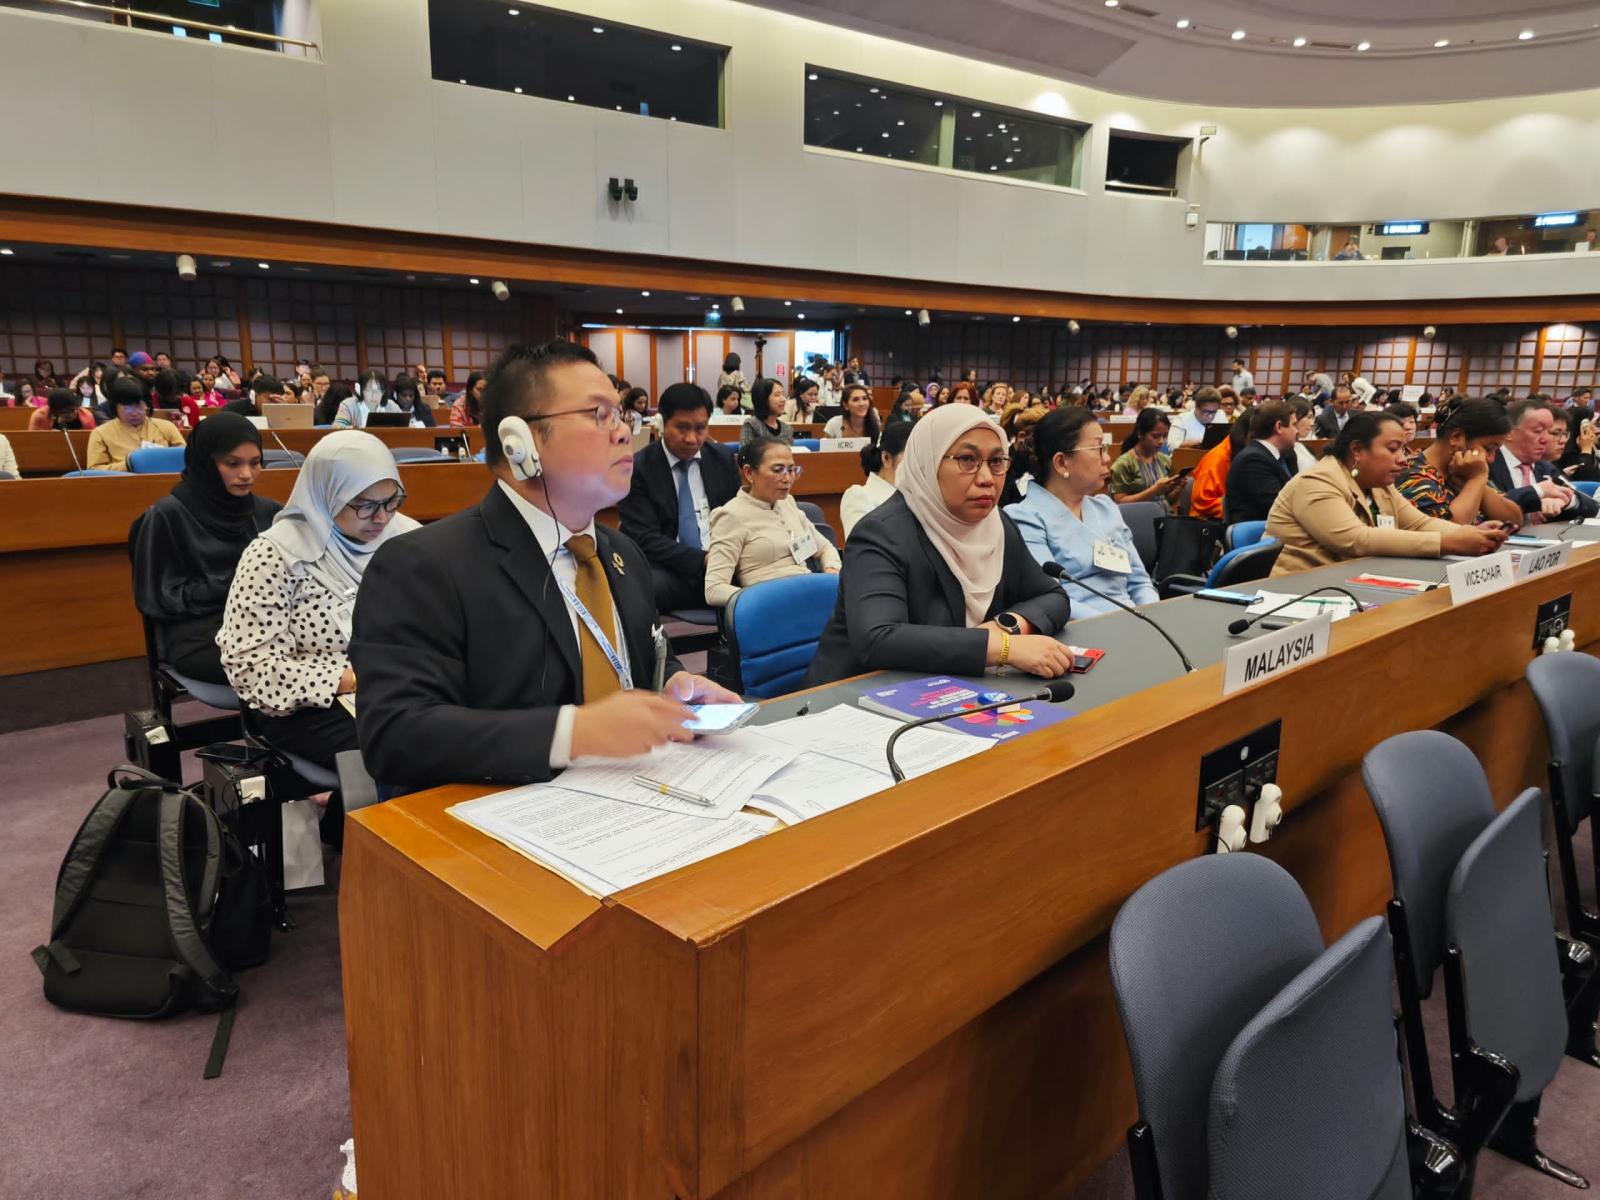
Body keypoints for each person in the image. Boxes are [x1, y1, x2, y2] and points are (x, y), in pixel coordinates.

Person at [349, 340, 737, 792]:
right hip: (504, 813)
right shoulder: (423, 565)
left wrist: (674, 687)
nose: (623, 433)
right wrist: (573, 733)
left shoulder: (622, 554)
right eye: (599, 414)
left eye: (620, 414)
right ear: (520, 441)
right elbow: (394, 735)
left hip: (636, 795)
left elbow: (643, 661)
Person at [804, 405, 1073, 687]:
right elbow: (878, 638)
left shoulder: (997, 524)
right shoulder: (880, 533)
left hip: (953, 685)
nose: (986, 478)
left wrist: (1006, 626)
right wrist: (1002, 647)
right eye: (967, 459)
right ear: (928, 463)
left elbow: (1053, 596)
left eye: (996, 462)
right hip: (858, 693)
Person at [220, 432, 417, 795]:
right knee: (404, 750)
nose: (382, 517)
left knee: (469, 729)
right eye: (365, 505)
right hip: (311, 703)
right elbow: (250, 666)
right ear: (328, 495)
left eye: (392, 501)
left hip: (402, 686)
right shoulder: (275, 555)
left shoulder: (406, 540)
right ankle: (366, 825)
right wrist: (353, 679)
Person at [132, 412, 281, 684]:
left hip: (265, 620)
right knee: (275, 665)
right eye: (232, 463)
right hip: (198, 632)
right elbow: (159, 597)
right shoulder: (167, 516)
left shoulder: (267, 511)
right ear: (206, 463)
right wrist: (235, 585)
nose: (246, 474)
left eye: (255, 463)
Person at [1265, 413, 1509, 576]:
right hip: (1299, 591)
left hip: (1350, 582)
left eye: (1403, 449)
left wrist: (1471, 534)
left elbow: (1419, 523)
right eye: (1393, 449)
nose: (1403, 459)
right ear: (1357, 450)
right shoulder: (1317, 481)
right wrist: (1450, 543)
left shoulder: (1378, 484)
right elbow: (1357, 540)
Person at [1006, 407, 1157, 617]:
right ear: (1061, 463)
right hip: (1081, 628)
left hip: (1137, 620)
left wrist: (1151, 614)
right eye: (1098, 449)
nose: (1107, 458)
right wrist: (1122, 623)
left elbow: (1140, 582)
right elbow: (1050, 598)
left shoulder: (1106, 508)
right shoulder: (1024, 518)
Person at [617, 382, 740, 612]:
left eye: (700, 428)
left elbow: (738, 515)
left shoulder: (722, 459)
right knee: (645, 587)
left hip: (725, 563)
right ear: (662, 423)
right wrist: (703, 559)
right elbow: (644, 537)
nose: (692, 438)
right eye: (682, 428)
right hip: (671, 567)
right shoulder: (639, 468)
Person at [703, 439, 840, 606]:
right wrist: (762, 599)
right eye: (778, 470)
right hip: (773, 606)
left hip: (812, 595)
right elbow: (714, 589)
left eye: (791, 470)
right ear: (749, 473)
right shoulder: (731, 516)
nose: (787, 478)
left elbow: (825, 548)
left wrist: (831, 574)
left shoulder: (787, 503)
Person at [1395, 398, 1526, 526]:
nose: (1491, 459)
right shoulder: (1412, 475)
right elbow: (1449, 533)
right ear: (1456, 437)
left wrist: (1475, 484)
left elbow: (1514, 520)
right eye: (1488, 448)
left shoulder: (1466, 469)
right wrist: (1476, 480)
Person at [1488, 400, 1600, 522]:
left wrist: (1566, 500)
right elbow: (1485, 507)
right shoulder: (1487, 464)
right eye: (1538, 431)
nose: (1545, 439)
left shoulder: (1545, 467)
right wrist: (1537, 492)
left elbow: (1592, 507)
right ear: (1509, 432)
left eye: (1548, 432)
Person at [1223, 401, 1301, 524]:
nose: (1297, 431)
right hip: (1260, 532)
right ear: (1279, 427)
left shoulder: (1276, 455)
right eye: (1294, 425)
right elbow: (1280, 507)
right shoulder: (1253, 460)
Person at [86, 376, 185, 470]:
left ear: (147, 404)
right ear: (115, 407)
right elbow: (94, 470)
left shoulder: (166, 427)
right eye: (126, 407)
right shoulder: (100, 433)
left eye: (138, 406)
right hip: (123, 480)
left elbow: (185, 458)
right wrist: (128, 465)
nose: (134, 413)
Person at [841, 420, 911, 538]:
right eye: (911, 457)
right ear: (886, 458)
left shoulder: (916, 495)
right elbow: (861, 545)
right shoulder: (859, 496)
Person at [1110, 408, 1184, 510]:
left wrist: (1177, 490)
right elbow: (1120, 503)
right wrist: (1153, 491)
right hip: (1137, 517)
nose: (1161, 441)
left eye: (1165, 436)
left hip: (1164, 515)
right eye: (1155, 436)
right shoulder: (1124, 464)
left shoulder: (1165, 460)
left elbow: (1167, 501)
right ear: (1140, 434)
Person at [1188, 414, 1249, 521]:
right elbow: (1203, 501)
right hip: (1209, 523)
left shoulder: (1244, 452)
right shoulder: (1218, 458)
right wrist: (1241, 510)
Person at [741, 378, 794, 445]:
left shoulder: (787, 429)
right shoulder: (751, 424)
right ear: (763, 398)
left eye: (783, 394)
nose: (783, 399)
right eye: (777, 395)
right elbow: (745, 450)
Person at [1559, 407, 1600, 483]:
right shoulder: (1568, 454)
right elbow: (1588, 481)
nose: (1598, 430)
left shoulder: (1594, 446)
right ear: (1583, 427)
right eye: (1596, 424)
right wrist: (1586, 450)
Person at [29, 387, 95, 430]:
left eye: (73, 410)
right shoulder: (39, 416)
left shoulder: (87, 416)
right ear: (54, 412)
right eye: (66, 412)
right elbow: (33, 440)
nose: (71, 414)